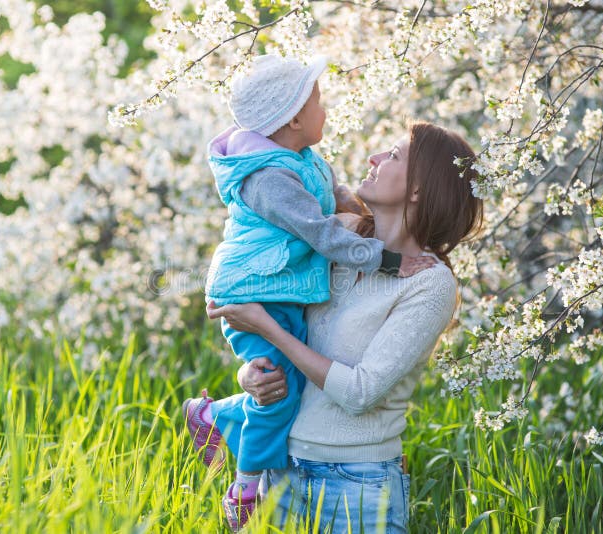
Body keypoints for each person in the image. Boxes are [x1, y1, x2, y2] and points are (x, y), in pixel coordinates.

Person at [181, 54, 436, 531]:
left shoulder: (302, 162)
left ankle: (218, 418)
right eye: (318, 100)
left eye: (394, 158)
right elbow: (319, 230)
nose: (326, 109)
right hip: (256, 287)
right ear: (295, 118)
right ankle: (246, 484)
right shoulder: (272, 179)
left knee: (277, 383)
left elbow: (333, 195)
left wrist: (354, 207)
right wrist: (386, 259)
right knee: (276, 389)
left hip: (356, 480)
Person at [206, 122, 484, 532]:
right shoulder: (336, 239)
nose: (373, 159)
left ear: (419, 189)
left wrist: (268, 330)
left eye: (392, 155)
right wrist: (251, 374)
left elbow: (359, 392)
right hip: (281, 471)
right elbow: (280, 321)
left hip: (358, 486)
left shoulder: (429, 283)